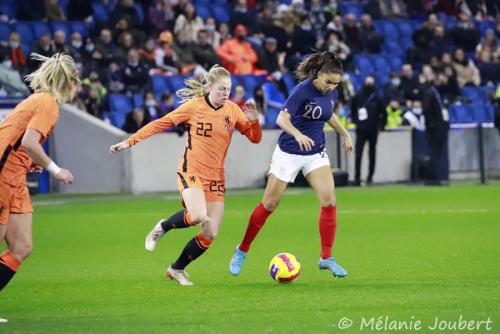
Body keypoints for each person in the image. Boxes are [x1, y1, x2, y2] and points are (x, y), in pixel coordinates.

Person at [109, 65, 262, 286]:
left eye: (228, 89)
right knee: (199, 216)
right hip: (191, 171)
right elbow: (160, 123)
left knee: (210, 232)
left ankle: (177, 268)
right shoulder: (194, 107)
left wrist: (254, 120)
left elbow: (255, 138)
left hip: (216, 178)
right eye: (221, 89)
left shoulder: (232, 110)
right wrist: (129, 141)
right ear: (209, 86)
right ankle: (162, 227)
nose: (225, 93)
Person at [229, 51, 353, 278]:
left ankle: (326, 258)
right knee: (269, 205)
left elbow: (329, 114)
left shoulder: (330, 93)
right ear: (318, 74)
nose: (331, 88)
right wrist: (297, 135)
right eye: (328, 82)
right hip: (288, 152)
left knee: (329, 200)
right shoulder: (302, 91)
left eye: (335, 84)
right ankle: (242, 250)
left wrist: (344, 134)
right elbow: (281, 119)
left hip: (315, 153)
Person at [0, 53, 78, 296]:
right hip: (2, 176)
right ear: (68, 82)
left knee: (21, 246)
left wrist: (29, 162)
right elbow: (30, 142)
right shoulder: (47, 103)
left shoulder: (41, 101)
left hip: (15, 176)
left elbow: (21, 144)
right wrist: (55, 169)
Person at [351, 75, 386, 185]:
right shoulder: (358, 96)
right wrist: (356, 121)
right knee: (358, 154)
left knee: (372, 153)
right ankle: (357, 177)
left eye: (371, 83)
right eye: (368, 83)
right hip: (361, 129)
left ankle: (370, 177)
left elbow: (384, 113)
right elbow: (352, 110)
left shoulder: (377, 97)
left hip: (373, 130)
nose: (369, 85)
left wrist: (381, 127)